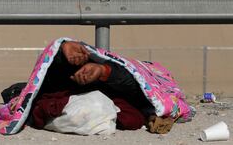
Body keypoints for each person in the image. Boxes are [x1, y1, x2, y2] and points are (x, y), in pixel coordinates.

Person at [32, 41, 173, 133]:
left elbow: (138, 84)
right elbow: (44, 79)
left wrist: (103, 71)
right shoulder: (58, 83)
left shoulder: (132, 84)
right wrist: (62, 50)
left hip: (119, 78)